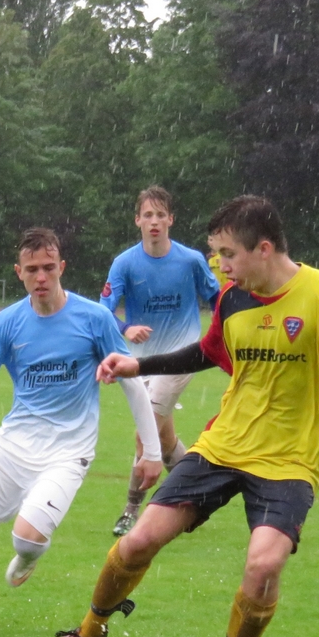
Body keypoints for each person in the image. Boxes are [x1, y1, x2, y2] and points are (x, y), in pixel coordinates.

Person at [37, 196, 319, 637]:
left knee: (264, 565)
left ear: (263, 249)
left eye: (227, 254)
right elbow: (207, 352)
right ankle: (87, 632)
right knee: (138, 540)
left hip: (289, 460)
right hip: (223, 445)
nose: (219, 265)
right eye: (216, 254)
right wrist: (136, 365)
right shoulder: (233, 299)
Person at [0, 228, 162, 630]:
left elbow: (131, 381)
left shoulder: (94, 318)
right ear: (18, 272)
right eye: (32, 269)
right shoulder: (5, 323)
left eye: (49, 268)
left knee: (25, 539)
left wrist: (153, 452)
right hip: (13, 447)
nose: (41, 277)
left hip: (68, 452)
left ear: (62, 268)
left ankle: (27, 556)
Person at [101, 186, 222, 536]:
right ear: (138, 220)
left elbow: (217, 299)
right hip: (140, 363)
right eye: (147, 215)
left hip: (182, 357)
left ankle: (131, 509)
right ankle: (198, 495)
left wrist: (222, 334)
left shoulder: (190, 260)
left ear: (171, 219)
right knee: (165, 438)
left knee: (146, 433)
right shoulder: (124, 263)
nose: (154, 222)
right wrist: (126, 327)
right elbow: (104, 310)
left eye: (160, 215)